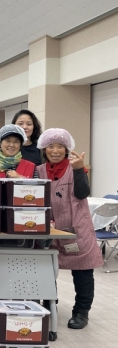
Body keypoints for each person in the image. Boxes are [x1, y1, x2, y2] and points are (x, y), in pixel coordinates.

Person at [36, 128, 103, 329]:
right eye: (51, 146)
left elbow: (82, 194)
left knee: (83, 272)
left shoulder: (76, 167)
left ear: (67, 150)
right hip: (49, 230)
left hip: (77, 229)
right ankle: (50, 305)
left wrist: (79, 170)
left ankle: (81, 312)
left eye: (60, 146)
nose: (55, 151)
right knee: (47, 270)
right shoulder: (39, 171)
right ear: (44, 149)